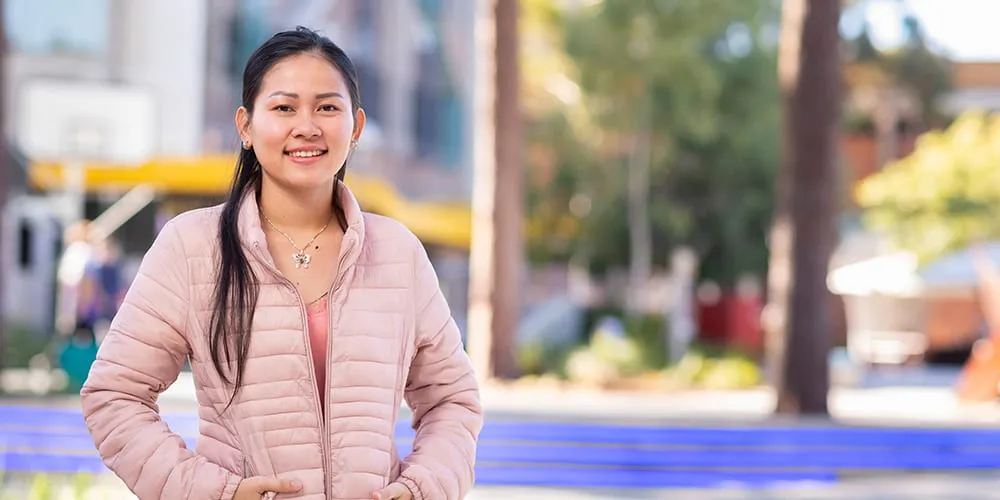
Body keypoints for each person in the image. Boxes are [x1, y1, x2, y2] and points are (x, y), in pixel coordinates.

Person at [81, 27, 483, 500]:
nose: (307, 126)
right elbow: (114, 396)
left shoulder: (398, 252)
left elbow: (451, 400)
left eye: (327, 107)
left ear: (355, 128)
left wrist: (422, 487)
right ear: (246, 127)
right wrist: (215, 492)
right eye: (284, 107)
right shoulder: (192, 247)